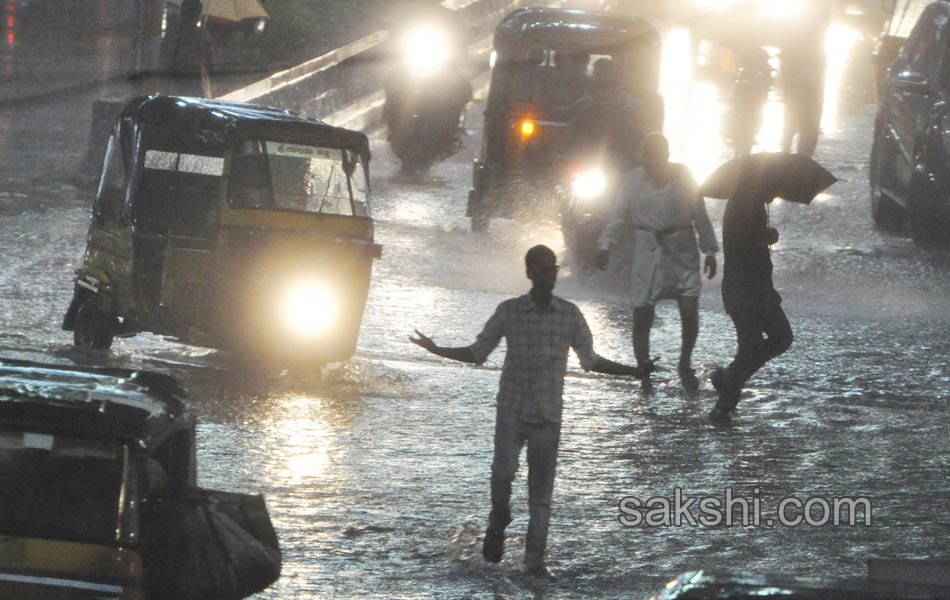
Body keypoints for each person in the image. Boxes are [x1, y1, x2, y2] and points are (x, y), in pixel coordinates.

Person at [410, 245, 642, 576]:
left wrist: (635, 372)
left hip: (548, 416)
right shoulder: (509, 311)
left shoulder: (570, 314)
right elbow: (478, 353)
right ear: (530, 272)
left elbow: (591, 361)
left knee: (541, 498)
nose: (550, 274)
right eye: (543, 269)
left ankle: (535, 564)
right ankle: (498, 520)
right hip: (512, 410)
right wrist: (436, 350)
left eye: (554, 269)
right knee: (502, 474)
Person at [596, 133, 718, 385]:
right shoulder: (633, 179)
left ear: (666, 155)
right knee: (642, 310)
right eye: (646, 154)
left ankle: (685, 359)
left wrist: (710, 251)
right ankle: (643, 361)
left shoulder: (684, 176)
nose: (650, 160)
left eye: (655, 154)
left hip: (681, 248)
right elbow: (618, 215)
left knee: (688, 306)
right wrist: (606, 244)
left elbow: (700, 214)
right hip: (647, 248)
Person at [710, 177, 793, 421]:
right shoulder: (742, 204)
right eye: (774, 188)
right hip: (745, 292)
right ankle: (724, 404)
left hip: (759, 291)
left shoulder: (752, 202)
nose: (776, 194)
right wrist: (765, 236)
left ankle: (727, 379)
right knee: (754, 347)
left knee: (780, 338)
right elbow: (741, 243)